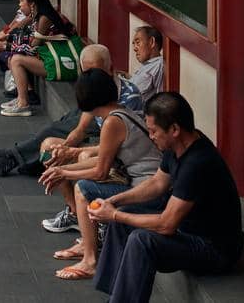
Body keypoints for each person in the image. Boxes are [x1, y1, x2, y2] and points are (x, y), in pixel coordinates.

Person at [89, 92, 244, 302]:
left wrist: (114, 215)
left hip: (215, 250)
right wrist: (114, 203)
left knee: (141, 240)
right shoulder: (178, 145)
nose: (150, 136)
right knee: (124, 219)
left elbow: (166, 225)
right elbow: (157, 183)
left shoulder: (197, 163)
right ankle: (114, 296)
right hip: (188, 231)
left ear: (174, 129)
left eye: (153, 131)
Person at [0, 25, 164, 181]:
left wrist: (69, 152)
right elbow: (79, 129)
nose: (88, 78)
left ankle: (14, 158)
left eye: (94, 72)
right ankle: (20, 159)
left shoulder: (127, 99)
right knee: (60, 127)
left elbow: (119, 144)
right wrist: (64, 147)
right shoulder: (97, 90)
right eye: (85, 72)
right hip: (100, 129)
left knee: (58, 135)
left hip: (117, 147)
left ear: (109, 69)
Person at [42, 68, 163, 282]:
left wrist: (64, 172)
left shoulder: (112, 122)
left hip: (147, 190)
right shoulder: (121, 112)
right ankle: (87, 244)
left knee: (83, 188)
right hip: (144, 183)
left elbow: (100, 171)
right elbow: (102, 159)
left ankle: (90, 260)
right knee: (84, 183)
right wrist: (65, 167)